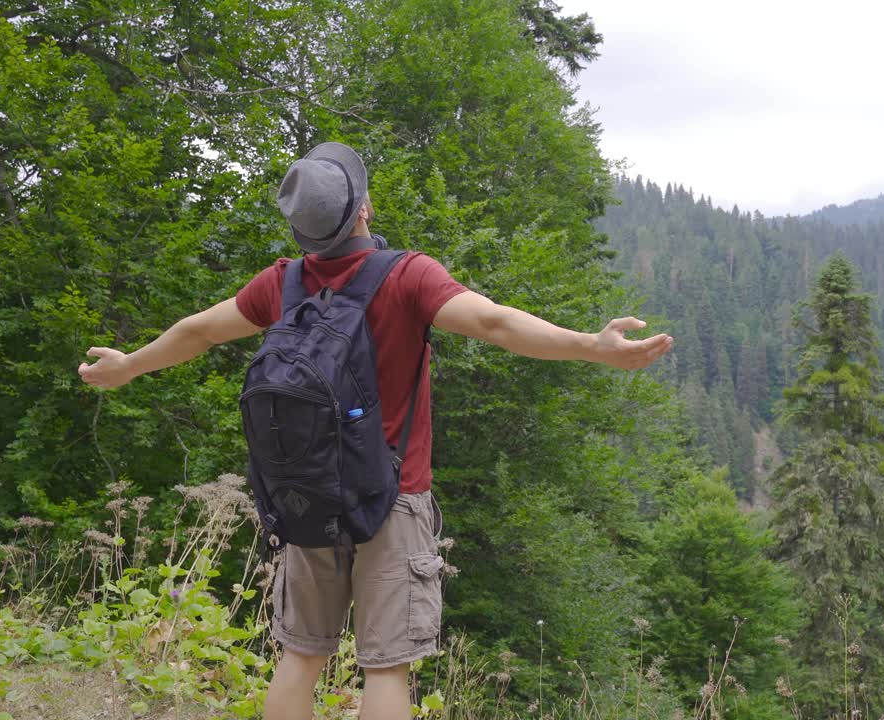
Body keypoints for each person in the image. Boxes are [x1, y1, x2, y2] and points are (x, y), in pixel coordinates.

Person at [76, 141, 673, 720]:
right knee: (386, 668)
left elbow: (199, 331)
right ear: (363, 210)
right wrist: (592, 348)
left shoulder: (282, 284)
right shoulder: (407, 276)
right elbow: (494, 323)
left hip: (304, 495)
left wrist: (129, 366)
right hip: (392, 499)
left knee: (301, 656)